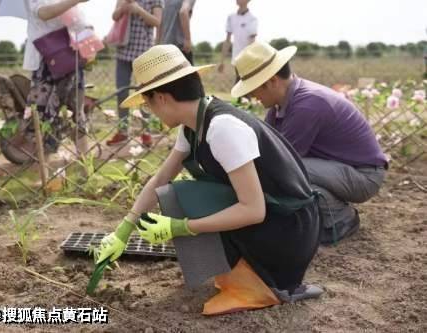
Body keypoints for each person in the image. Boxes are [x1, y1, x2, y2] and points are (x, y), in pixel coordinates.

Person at [96, 44, 323, 315]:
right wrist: (124, 229)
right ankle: (239, 276)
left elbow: (253, 209)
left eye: (148, 104)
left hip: (289, 230)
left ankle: (259, 286)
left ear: (162, 98)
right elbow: (161, 178)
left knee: (182, 197)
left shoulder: (222, 128)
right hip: (277, 219)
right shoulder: (194, 124)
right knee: (172, 193)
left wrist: (183, 227)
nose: (151, 111)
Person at [231, 41, 388, 245]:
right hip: (338, 169)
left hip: (365, 176)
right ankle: (321, 215)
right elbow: (264, 148)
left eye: (253, 89)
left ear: (272, 81)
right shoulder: (280, 106)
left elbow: (280, 162)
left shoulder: (308, 105)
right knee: (280, 170)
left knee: (288, 169)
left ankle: (341, 219)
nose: (251, 95)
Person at [23, 0, 90, 161]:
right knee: (42, 116)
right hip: (46, 63)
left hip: (71, 59)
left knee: (77, 114)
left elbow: (80, 22)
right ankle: (46, 171)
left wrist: (87, 45)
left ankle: (86, 169)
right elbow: (42, 13)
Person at [105, 0, 163, 147]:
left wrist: (138, 10)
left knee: (145, 93)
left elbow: (157, 21)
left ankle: (146, 131)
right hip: (123, 51)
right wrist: (124, 8)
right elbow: (114, 16)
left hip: (143, 52)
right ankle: (123, 131)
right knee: (121, 92)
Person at [218, 0, 258, 80]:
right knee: (239, 84)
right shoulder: (231, 17)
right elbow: (227, 41)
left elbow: (252, 41)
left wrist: (249, 59)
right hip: (237, 60)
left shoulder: (252, 19)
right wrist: (222, 61)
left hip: (248, 60)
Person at [158, 0, 196, 64]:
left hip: (165, 49)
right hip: (180, 47)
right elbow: (183, 12)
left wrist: (157, 44)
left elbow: (159, 23)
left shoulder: (164, 1)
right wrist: (187, 39)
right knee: (189, 73)